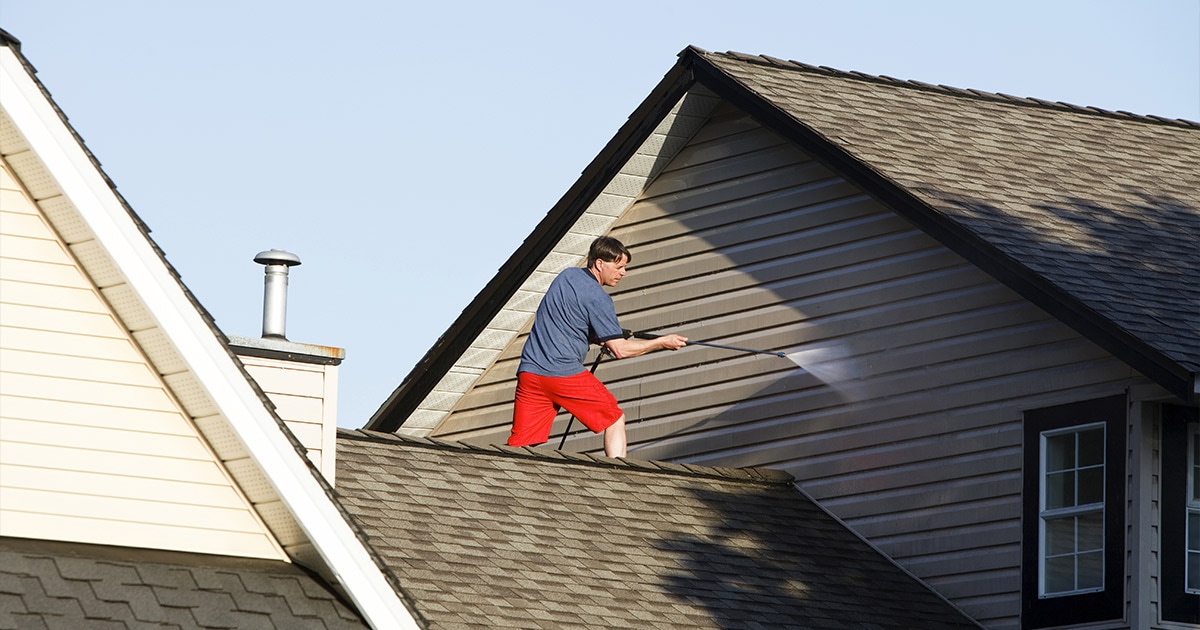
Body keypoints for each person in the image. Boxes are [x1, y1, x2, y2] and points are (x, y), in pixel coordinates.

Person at [507, 236, 688, 457]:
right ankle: (618, 474)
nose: (623, 273)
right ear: (600, 263)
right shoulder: (599, 298)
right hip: (562, 374)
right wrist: (662, 342)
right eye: (619, 267)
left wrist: (598, 336)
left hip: (530, 373)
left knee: (522, 443)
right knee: (614, 419)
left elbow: (567, 322)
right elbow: (620, 350)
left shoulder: (567, 277)